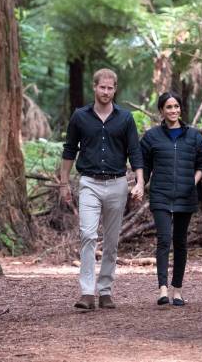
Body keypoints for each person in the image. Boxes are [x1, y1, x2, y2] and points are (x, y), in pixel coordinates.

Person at [60, 68, 145, 310]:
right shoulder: (80, 116)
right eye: (102, 87)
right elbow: (69, 150)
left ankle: (105, 290)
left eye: (110, 88)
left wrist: (139, 182)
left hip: (117, 184)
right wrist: (64, 183)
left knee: (111, 241)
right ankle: (87, 292)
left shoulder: (125, 118)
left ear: (115, 89)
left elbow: (134, 152)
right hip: (89, 183)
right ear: (94, 87)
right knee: (87, 234)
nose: (106, 92)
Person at [140, 91, 202, 306]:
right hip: (160, 194)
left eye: (176, 106)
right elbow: (144, 166)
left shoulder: (194, 136)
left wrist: (192, 181)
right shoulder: (151, 137)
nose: (173, 110)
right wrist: (140, 184)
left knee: (180, 242)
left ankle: (177, 290)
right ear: (161, 110)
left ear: (181, 109)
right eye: (168, 107)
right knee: (164, 239)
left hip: (185, 195)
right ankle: (162, 289)